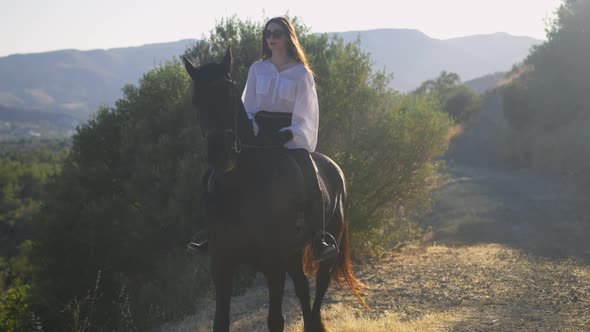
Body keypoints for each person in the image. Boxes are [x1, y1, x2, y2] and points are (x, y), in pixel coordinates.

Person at [188, 16, 338, 262]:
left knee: (310, 174)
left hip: (289, 135)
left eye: (277, 33)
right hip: (258, 132)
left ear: (288, 36)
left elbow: (307, 113)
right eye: (268, 33)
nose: (271, 38)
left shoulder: (302, 74)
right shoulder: (258, 68)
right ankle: (211, 233)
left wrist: (292, 133)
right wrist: (254, 127)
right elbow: (247, 107)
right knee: (215, 175)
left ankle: (320, 238)